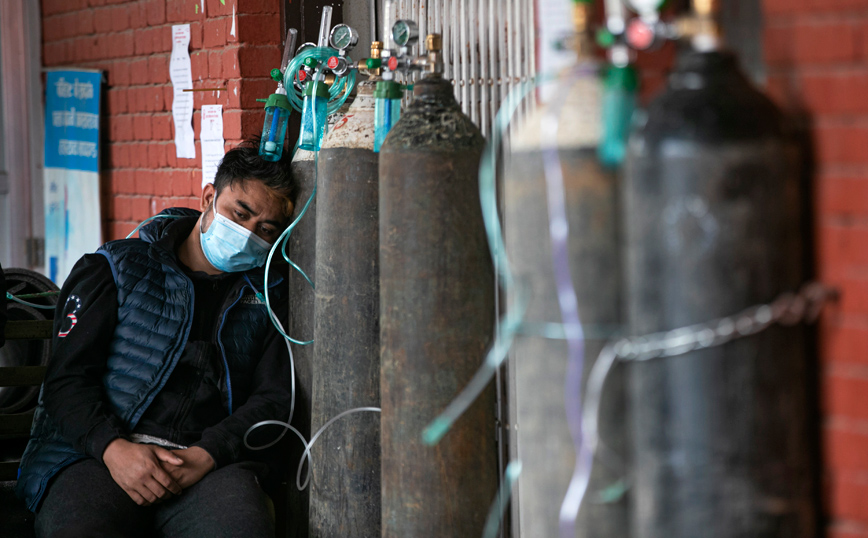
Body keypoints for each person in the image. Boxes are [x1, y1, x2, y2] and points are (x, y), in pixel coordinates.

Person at [16, 139, 298, 538]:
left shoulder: (267, 298)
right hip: (95, 456)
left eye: (264, 229)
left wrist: (209, 454)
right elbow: (66, 381)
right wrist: (113, 449)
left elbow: (272, 399)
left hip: (204, 468)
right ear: (208, 198)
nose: (247, 233)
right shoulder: (116, 268)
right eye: (240, 213)